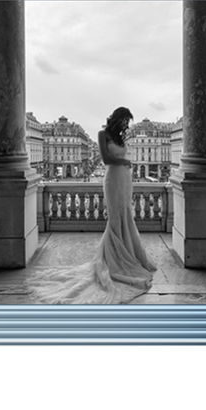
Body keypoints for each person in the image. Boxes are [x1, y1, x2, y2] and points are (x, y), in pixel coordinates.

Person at [27, 107, 158, 304]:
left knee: (126, 215)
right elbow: (106, 159)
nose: (126, 125)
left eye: (127, 123)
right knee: (115, 218)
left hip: (125, 179)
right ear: (117, 118)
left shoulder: (121, 137)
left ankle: (129, 255)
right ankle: (112, 259)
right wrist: (125, 161)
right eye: (124, 121)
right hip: (113, 178)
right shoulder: (102, 134)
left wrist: (126, 164)